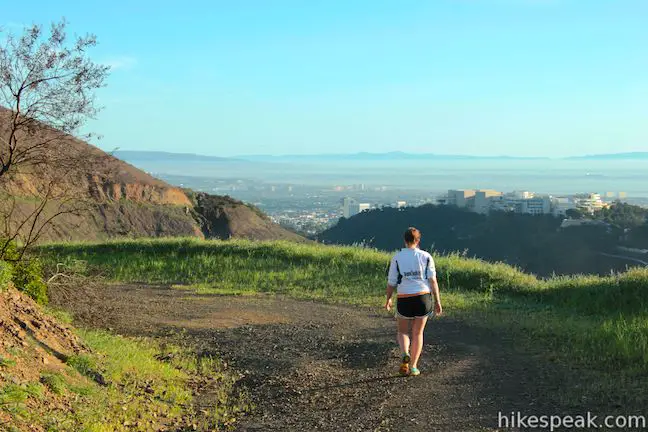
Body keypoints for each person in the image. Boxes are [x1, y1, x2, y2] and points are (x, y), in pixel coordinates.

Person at [385, 227, 442, 376]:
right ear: (418, 240)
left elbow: (391, 281)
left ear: (404, 240)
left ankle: (405, 353)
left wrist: (388, 298)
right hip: (423, 297)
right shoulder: (426, 256)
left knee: (402, 331)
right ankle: (414, 366)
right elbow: (433, 280)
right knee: (418, 333)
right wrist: (437, 301)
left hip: (404, 297)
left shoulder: (397, 257)